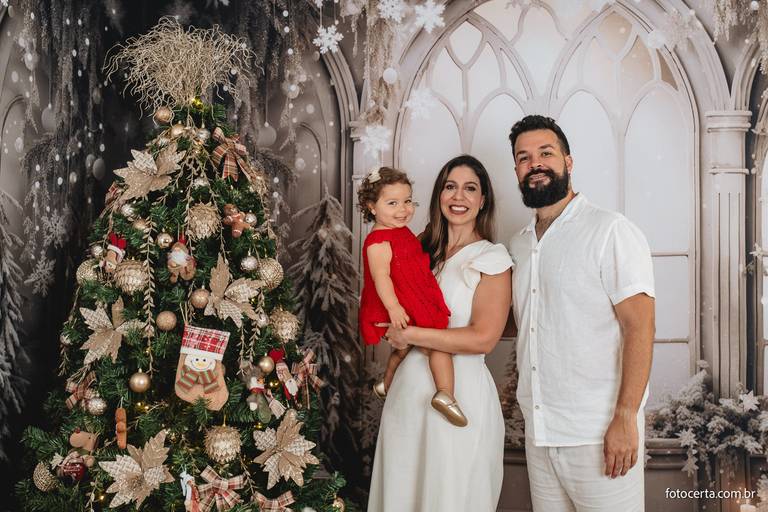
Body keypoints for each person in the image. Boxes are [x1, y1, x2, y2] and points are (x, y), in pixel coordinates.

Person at [508, 115, 655, 512]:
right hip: (540, 432)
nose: (535, 164)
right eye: (524, 157)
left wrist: (625, 416)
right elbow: (525, 324)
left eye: (546, 153)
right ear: (517, 170)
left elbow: (639, 327)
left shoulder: (610, 230)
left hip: (599, 432)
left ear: (568, 162)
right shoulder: (519, 245)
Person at [368, 155, 512, 512]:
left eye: (470, 188)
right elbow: (386, 297)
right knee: (402, 495)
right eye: (450, 186)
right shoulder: (417, 249)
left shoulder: (492, 258)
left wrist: (412, 335)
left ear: (483, 200)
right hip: (408, 396)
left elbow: (483, 338)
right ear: (438, 196)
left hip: (460, 394)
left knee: (449, 497)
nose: (458, 196)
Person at [357, 166, 467, 426]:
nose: (403, 209)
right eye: (392, 203)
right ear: (372, 207)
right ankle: (445, 394)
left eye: (407, 201)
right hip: (399, 302)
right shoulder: (378, 242)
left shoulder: (399, 231)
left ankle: (385, 384)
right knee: (437, 342)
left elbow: (410, 254)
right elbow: (381, 278)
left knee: (403, 348)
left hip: (411, 294)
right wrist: (394, 308)